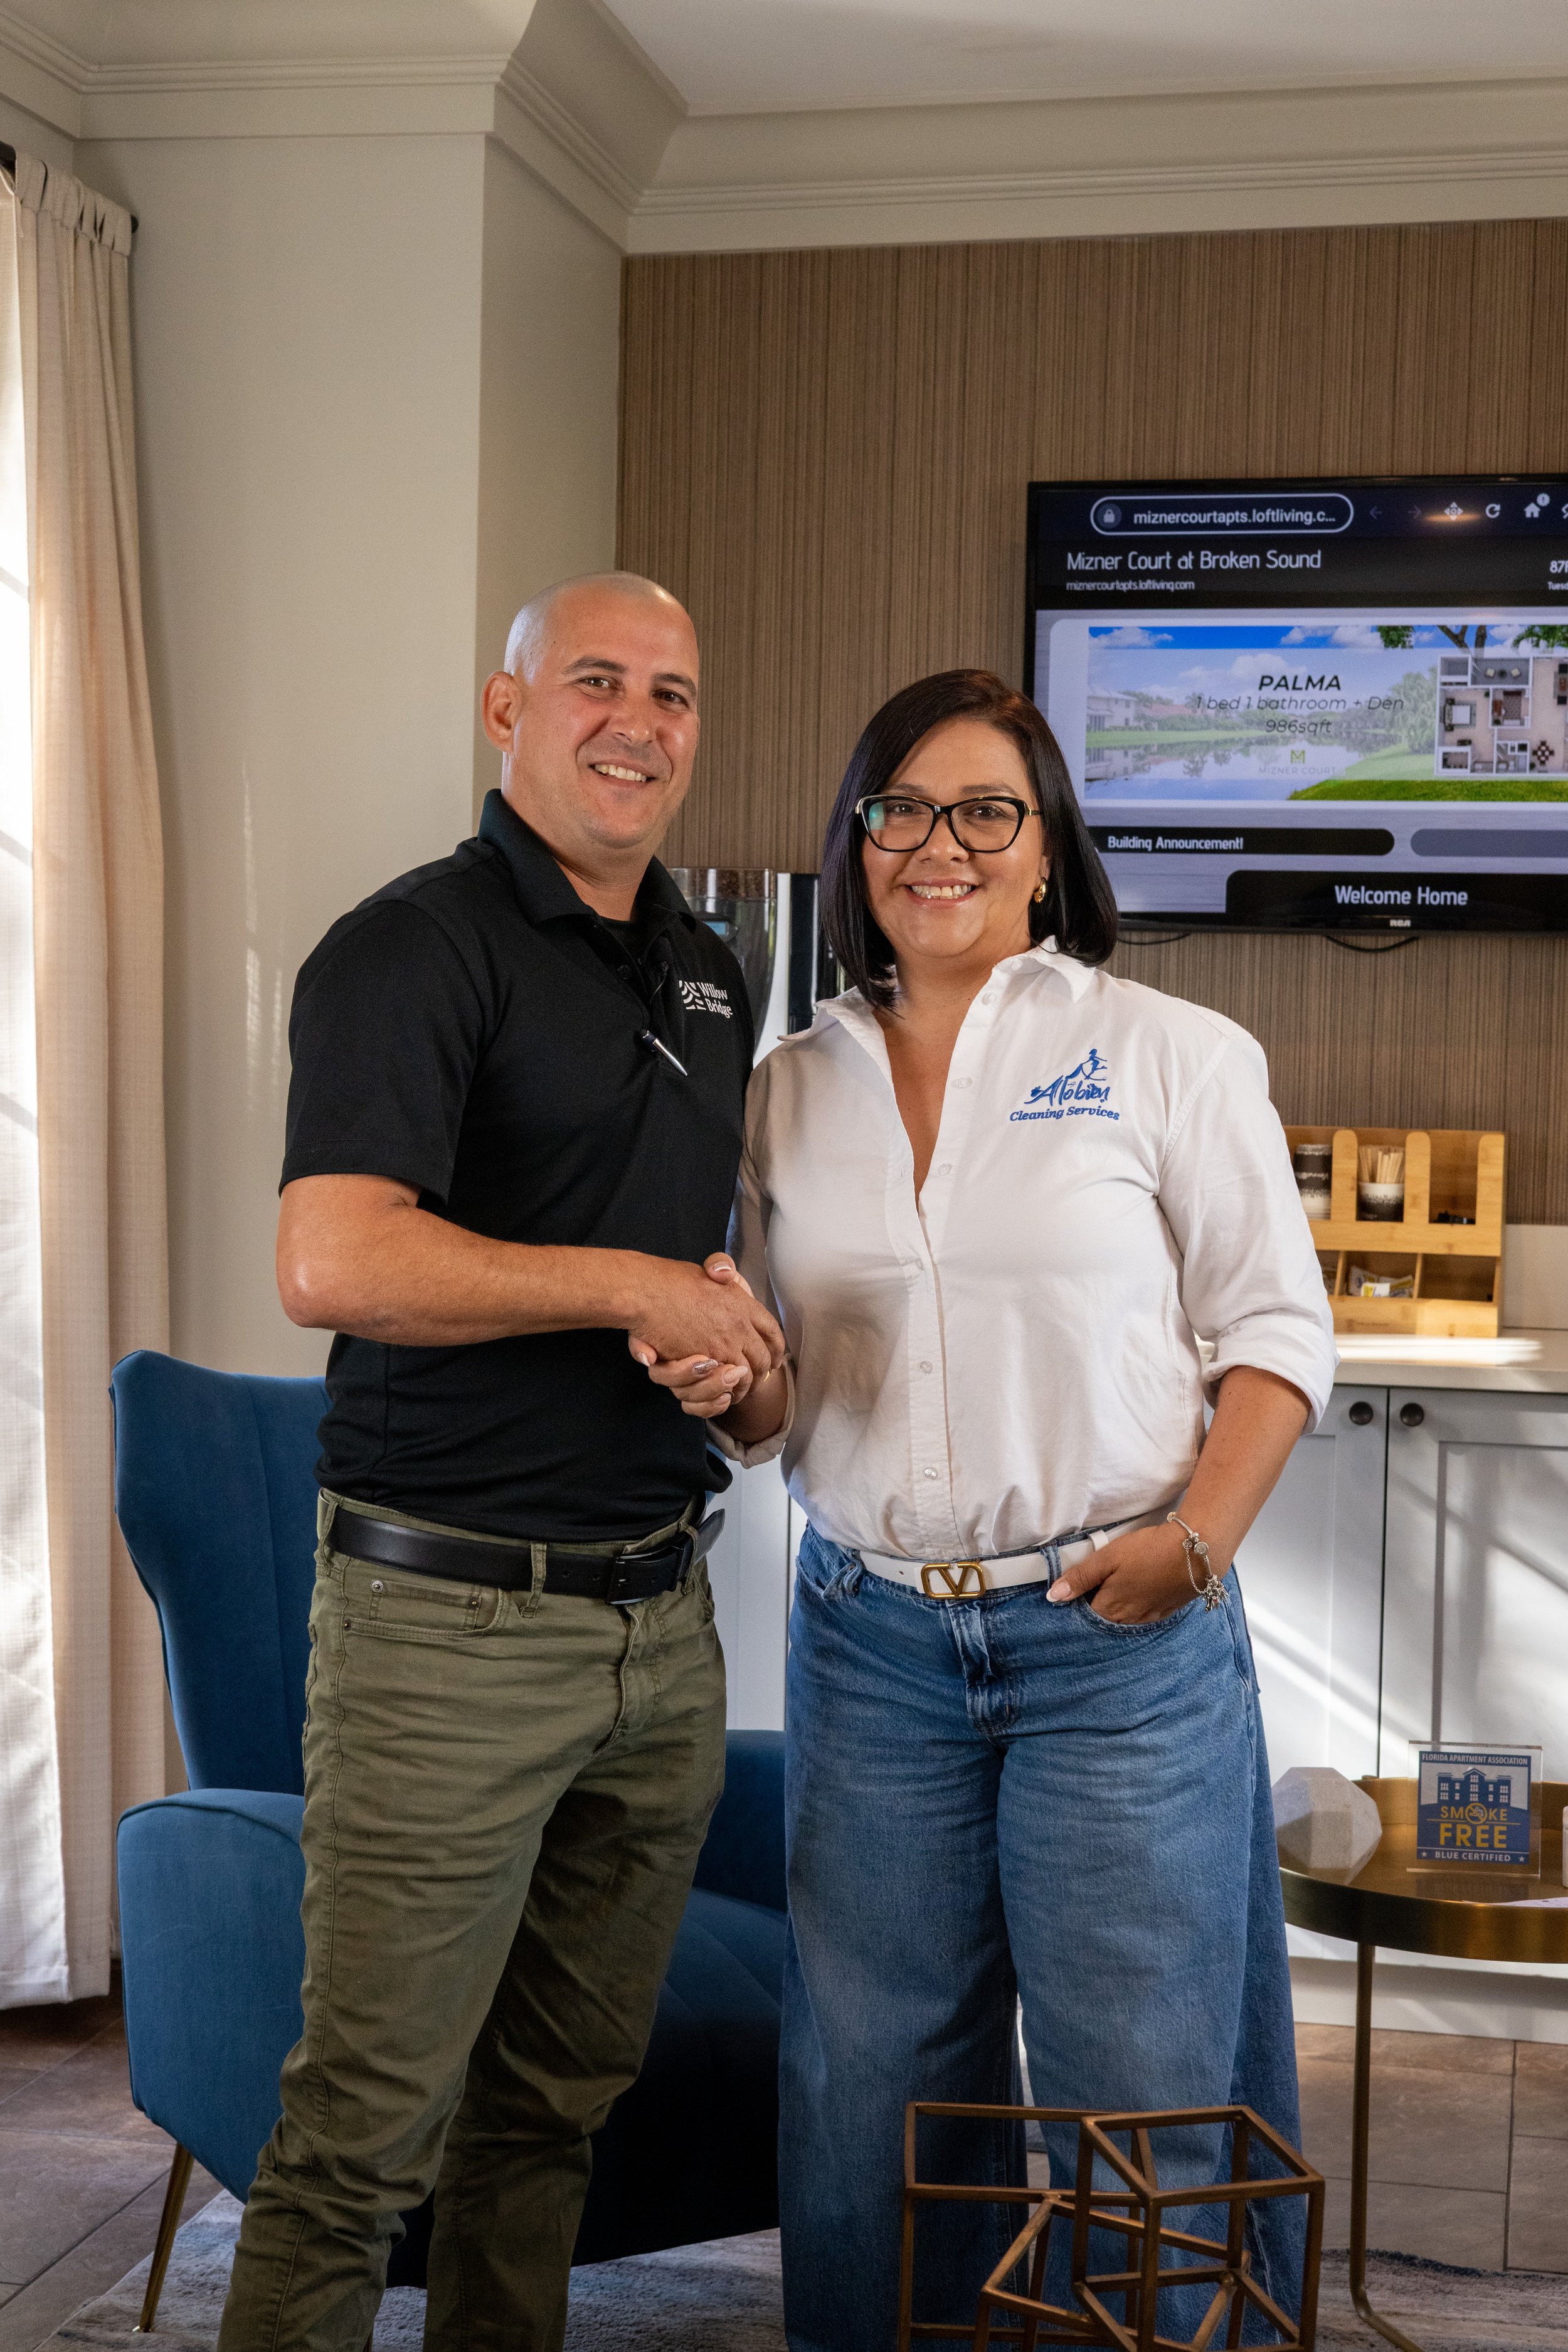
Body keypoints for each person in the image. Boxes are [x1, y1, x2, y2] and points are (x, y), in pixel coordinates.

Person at [644, 669, 1337, 2352]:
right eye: (900, 808)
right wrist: (730, 1387)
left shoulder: (1163, 1054)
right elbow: (780, 1399)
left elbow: (1273, 1335)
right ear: (856, 841)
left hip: (1115, 1636)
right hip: (870, 1639)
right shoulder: (782, 1087)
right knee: (873, 2090)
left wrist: (1193, 1545)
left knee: (1142, 2094)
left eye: (984, 812)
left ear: (1044, 853)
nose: (936, 844)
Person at [216, 570, 785, 2352]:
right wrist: (621, 1282)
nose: (639, 720)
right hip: (446, 1629)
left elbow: (691, 1291)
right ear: (507, 708)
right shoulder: (412, 944)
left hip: (659, 1626)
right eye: (596, 681)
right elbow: (336, 1259)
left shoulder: (712, 968)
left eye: (674, 693)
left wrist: (737, 1365)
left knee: (554, 2114)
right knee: (357, 2139)